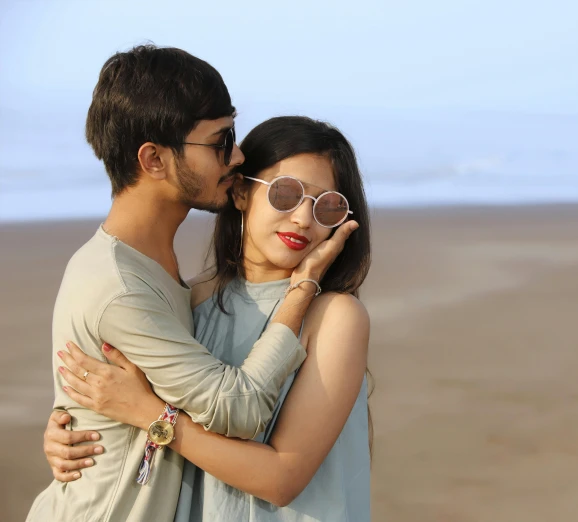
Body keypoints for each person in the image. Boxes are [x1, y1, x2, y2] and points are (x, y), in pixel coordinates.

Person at [27, 46, 356, 522]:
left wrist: (91, 420)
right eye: (221, 142)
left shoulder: (165, 271)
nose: (238, 156)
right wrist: (302, 287)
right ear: (154, 159)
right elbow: (238, 408)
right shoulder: (120, 285)